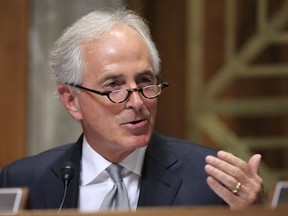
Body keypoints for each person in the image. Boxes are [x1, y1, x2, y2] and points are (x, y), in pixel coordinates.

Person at [0, 8, 263, 212]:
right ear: (71, 100)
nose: (137, 102)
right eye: (114, 85)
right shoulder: (24, 181)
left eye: (145, 81)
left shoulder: (211, 181)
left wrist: (255, 214)